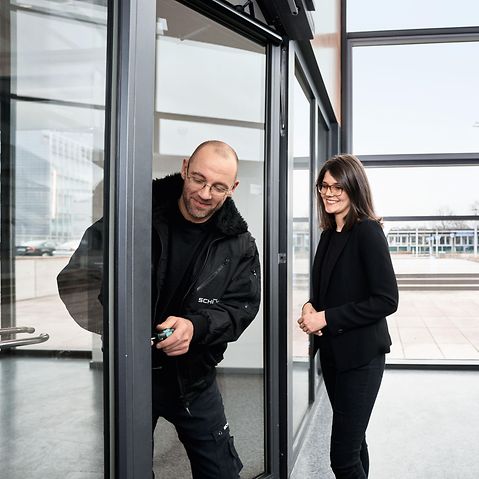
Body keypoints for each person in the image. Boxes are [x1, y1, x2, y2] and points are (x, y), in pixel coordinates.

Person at [57, 140, 261, 479]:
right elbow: (77, 280)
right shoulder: (131, 216)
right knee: (131, 469)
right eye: (198, 179)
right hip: (131, 373)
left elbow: (240, 308)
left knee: (221, 472)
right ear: (184, 169)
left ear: (233, 188)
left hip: (193, 380)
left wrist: (196, 327)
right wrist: (123, 330)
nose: (205, 194)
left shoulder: (239, 244)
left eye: (218, 187)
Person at [297, 154, 398, 479]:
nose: (329, 193)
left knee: (342, 458)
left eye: (337, 187)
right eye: (324, 186)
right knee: (355, 445)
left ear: (354, 188)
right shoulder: (329, 234)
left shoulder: (367, 232)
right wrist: (309, 307)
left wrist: (326, 318)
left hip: (361, 358)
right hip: (334, 357)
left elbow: (386, 300)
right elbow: (327, 292)